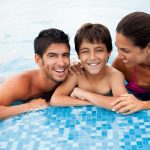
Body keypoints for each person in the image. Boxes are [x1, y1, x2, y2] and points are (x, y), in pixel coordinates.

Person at [50, 23, 127, 109]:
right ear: (78, 55)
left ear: (109, 52)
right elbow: (55, 100)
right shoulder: (76, 73)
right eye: (85, 51)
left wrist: (83, 94)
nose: (92, 57)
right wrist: (89, 102)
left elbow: (123, 104)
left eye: (99, 50)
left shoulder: (114, 76)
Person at [0, 28, 71, 119]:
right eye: (52, 56)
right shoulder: (20, 83)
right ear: (38, 60)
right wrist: (29, 106)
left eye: (65, 55)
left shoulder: (72, 73)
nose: (61, 63)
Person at [111, 12, 150, 114]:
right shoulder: (120, 63)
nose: (119, 56)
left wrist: (143, 104)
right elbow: (102, 80)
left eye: (126, 51)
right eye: (117, 48)